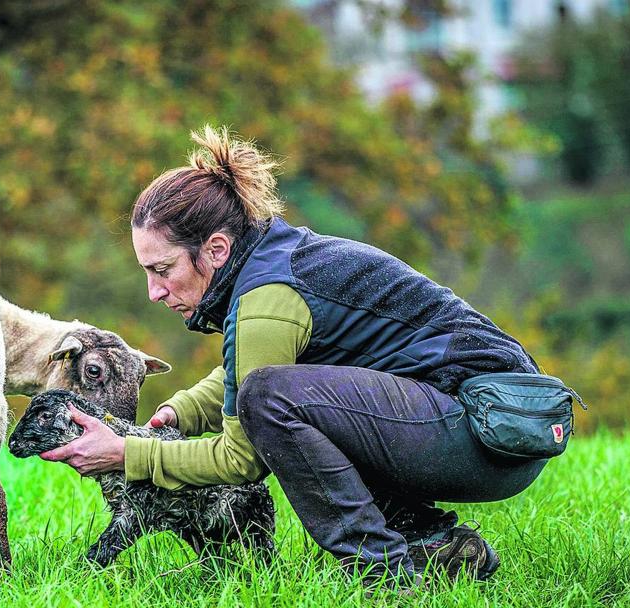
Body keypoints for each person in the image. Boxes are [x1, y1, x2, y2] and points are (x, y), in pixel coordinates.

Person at [40, 126, 547, 587]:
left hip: (487, 433)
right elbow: (263, 361)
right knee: (281, 391)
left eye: (163, 268)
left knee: (270, 399)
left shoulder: (268, 297)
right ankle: (438, 549)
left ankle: (385, 576)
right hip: (489, 430)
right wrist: (183, 410)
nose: (154, 291)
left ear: (216, 249)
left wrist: (127, 454)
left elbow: (241, 456)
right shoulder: (275, 262)